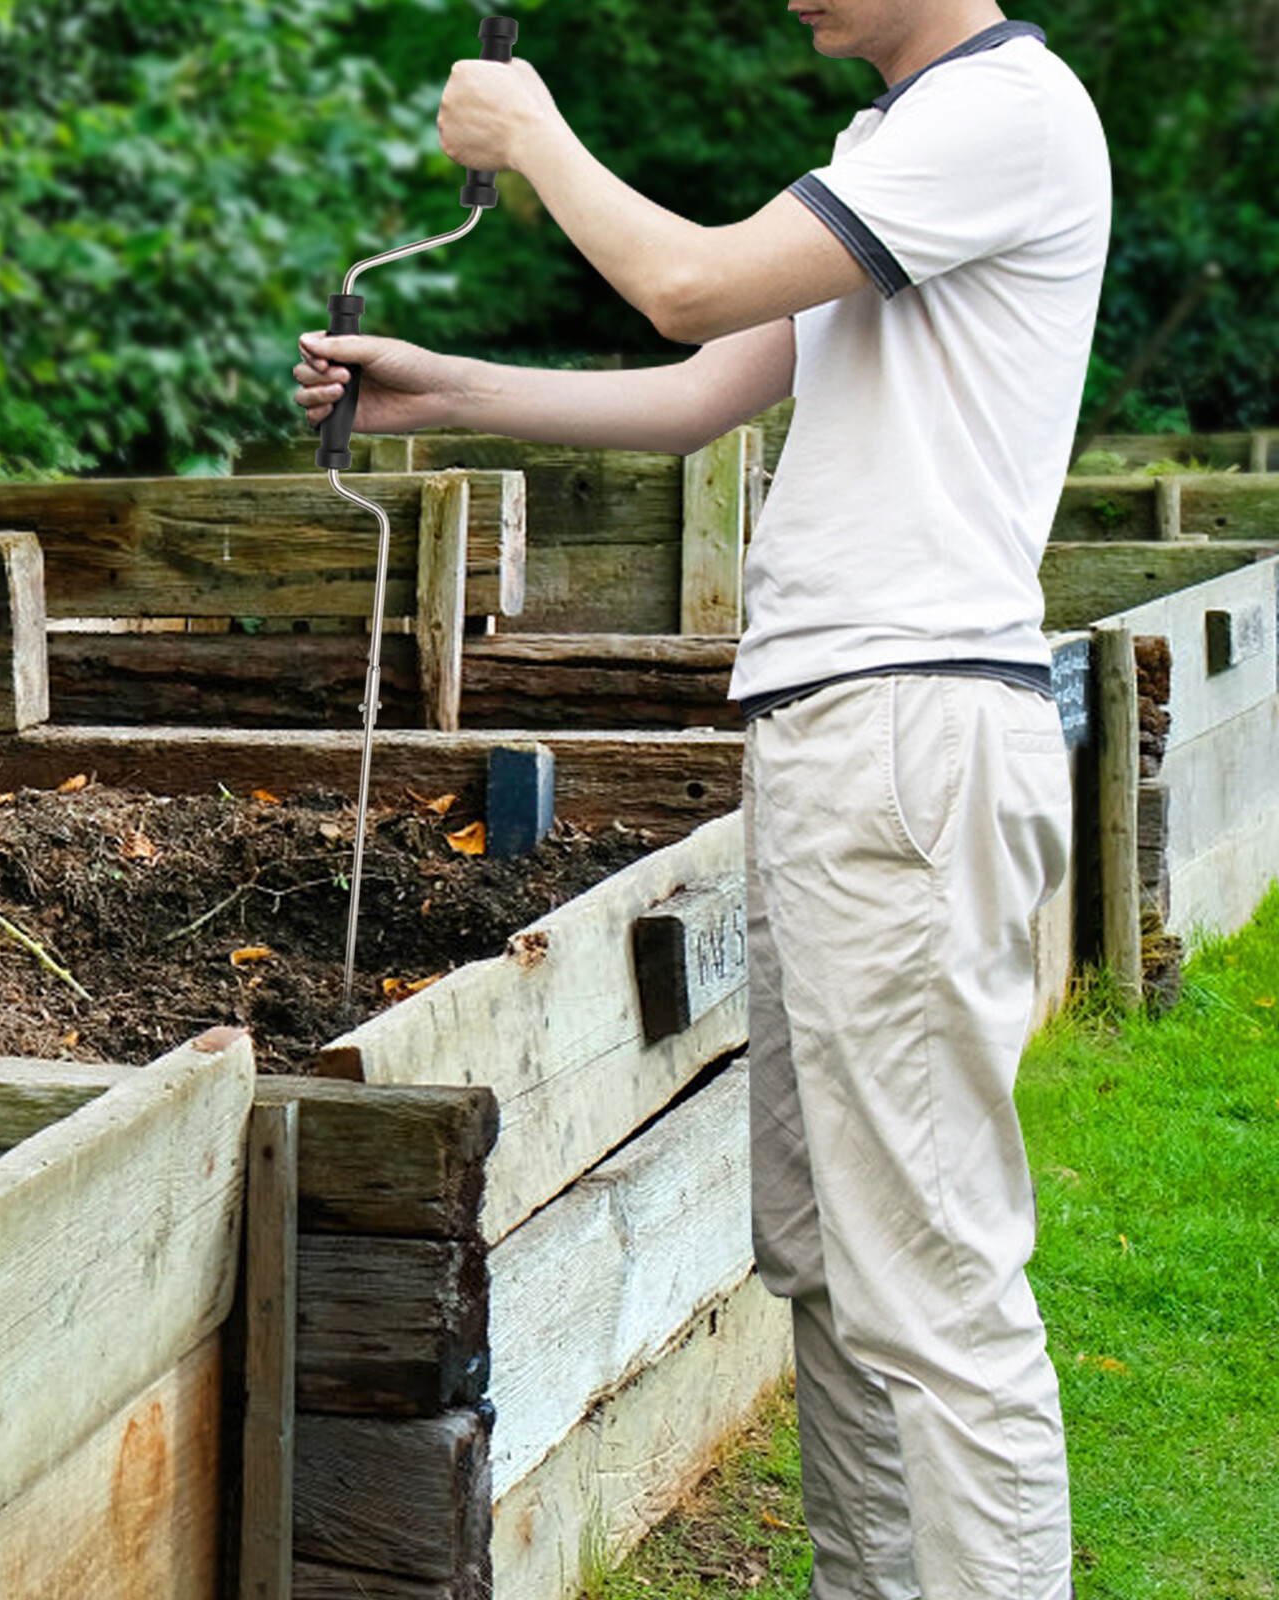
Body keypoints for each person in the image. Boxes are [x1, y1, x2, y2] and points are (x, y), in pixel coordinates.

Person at [295, 3, 1110, 1595]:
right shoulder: (890, 144)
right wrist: (442, 384)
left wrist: (534, 138)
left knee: (928, 1286)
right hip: (847, 736)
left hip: (908, 731)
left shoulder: (1005, 114)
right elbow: (699, 383)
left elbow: (688, 277)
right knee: (830, 1265)